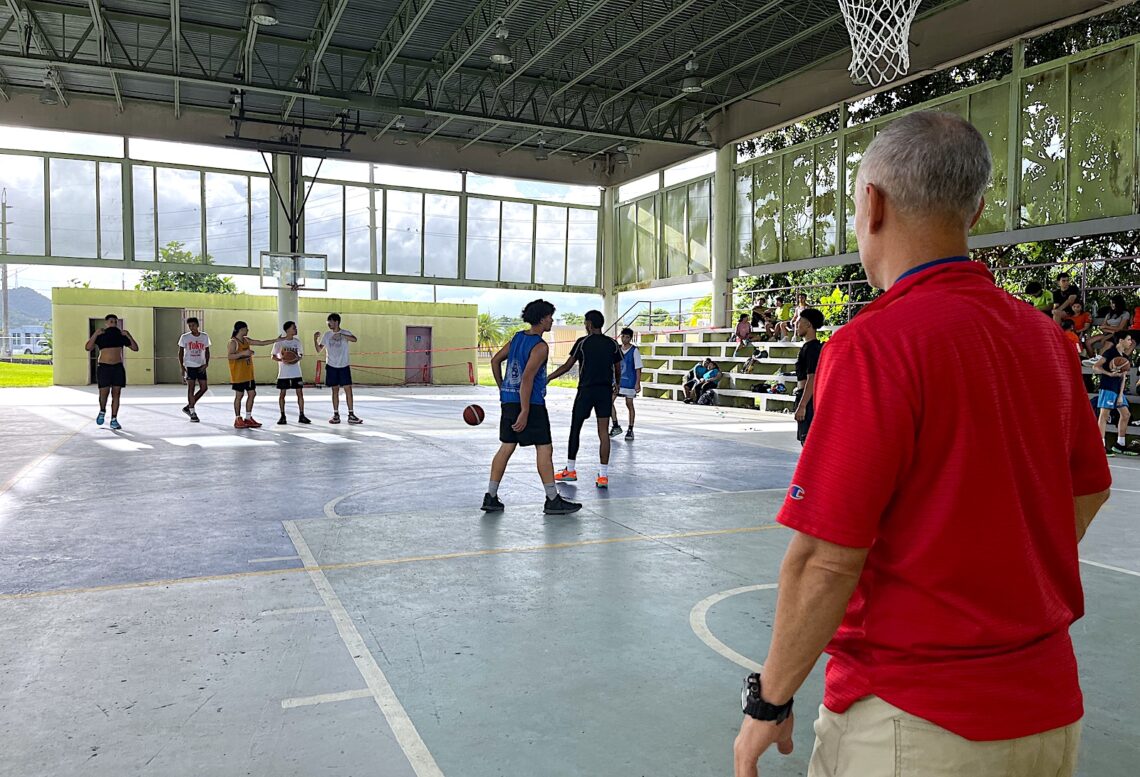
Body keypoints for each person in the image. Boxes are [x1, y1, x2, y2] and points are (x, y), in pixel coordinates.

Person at [732, 111, 1111, 777]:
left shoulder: (874, 345)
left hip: (915, 723)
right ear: (979, 209)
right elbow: (1089, 486)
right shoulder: (1048, 341)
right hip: (1049, 714)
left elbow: (824, 559)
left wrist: (770, 697)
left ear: (871, 205)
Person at [481, 299, 581, 515]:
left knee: (507, 446)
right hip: (532, 404)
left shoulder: (517, 338)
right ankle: (552, 500)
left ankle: (490, 496)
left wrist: (503, 388)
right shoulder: (540, 346)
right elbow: (527, 379)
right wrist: (525, 410)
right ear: (542, 318)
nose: (552, 320)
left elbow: (495, 361)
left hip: (509, 400)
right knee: (544, 448)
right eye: (550, 317)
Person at [549, 310, 622, 489]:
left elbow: (567, 366)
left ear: (589, 324)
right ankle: (603, 476)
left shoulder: (583, 343)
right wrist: (617, 384)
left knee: (576, 428)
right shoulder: (612, 344)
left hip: (586, 391)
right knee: (603, 433)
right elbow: (618, 367)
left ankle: (571, 470)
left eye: (585, 322)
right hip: (604, 392)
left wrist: (548, 377)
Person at [84, 313, 139, 430]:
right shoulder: (101, 336)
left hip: (117, 367)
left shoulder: (121, 336)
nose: (113, 323)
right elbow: (88, 347)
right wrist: (95, 334)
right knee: (103, 393)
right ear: (106, 323)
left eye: (115, 322)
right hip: (104, 367)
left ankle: (114, 419)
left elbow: (135, 348)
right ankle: (102, 410)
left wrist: (129, 336)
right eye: (111, 322)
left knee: (116, 394)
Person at [227, 321, 281, 429]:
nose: (248, 330)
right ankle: (238, 418)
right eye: (246, 329)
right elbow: (230, 356)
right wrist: (244, 353)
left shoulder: (246, 340)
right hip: (238, 374)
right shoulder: (233, 342)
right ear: (241, 329)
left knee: (252, 394)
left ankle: (248, 417)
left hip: (248, 374)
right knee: (239, 396)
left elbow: (261, 342)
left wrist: (275, 340)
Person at [1092, 330, 1135, 456]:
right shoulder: (1110, 353)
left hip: (1117, 390)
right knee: (1104, 416)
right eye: (1128, 339)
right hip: (1107, 387)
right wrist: (1109, 373)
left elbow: (1123, 378)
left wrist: (1121, 395)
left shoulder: (1125, 358)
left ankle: (1119, 444)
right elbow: (1096, 366)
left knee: (1126, 414)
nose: (1130, 342)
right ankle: (1101, 445)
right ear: (1121, 340)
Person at [314, 313, 362, 425]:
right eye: (328, 322)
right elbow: (318, 350)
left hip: (344, 366)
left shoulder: (345, 332)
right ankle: (336, 414)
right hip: (331, 366)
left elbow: (354, 339)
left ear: (336, 322)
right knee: (334, 390)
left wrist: (342, 335)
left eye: (330, 322)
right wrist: (315, 339)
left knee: (348, 390)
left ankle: (351, 414)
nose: (329, 324)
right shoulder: (327, 335)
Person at [792, 308, 824, 446]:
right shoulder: (807, 347)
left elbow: (813, 377)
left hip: (809, 400)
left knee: (808, 441)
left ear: (808, 325)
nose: (796, 326)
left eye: (799, 323)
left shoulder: (812, 349)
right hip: (804, 395)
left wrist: (803, 405)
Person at [272, 321, 311, 425]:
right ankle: (282, 416)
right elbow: (273, 356)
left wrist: (297, 358)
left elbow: (301, 355)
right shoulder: (280, 342)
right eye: (294, 328)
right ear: (288, 330)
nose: (296, 329)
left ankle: (302, 415)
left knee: (300, 394)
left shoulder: (297, 342)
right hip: (284, 373)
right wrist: (283, 360)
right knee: (282, 394)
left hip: (296, 372)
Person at [609, 327, 642, 441]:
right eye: (623, 336)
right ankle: (615, 425)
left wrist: (637, 383)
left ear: (630, 338)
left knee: (629, 404)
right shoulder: (617, 349)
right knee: (609, 402)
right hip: (617, 381)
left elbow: (638, 368)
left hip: (629, 381)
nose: (624, 339)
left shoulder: (634, 351)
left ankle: (630, 429)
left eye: (627, 337)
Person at [177, 316, 210, 423]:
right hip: (190, 365)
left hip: (201, 365)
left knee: (204, 388)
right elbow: (180, 352)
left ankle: (188, 406)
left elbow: (207, 351)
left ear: (197, 325)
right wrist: (182, 366)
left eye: (193, 325)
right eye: (189, 326)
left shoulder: (204, 337)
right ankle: (192, 412)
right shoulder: (185, 337)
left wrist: (206, 364)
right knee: (191, 388)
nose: (191, 328)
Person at [1084, 294, 1131, 360]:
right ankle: (1093, 358)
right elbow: (1102, 327)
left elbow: (1120, 328)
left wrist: (1107, 327)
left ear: (1119, 303)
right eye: (1111, 303)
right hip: (1108, 333)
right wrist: (1111, 331)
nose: (1111, 305)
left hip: (1119, 334)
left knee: (1106, 342)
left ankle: (1099, 359)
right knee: (1088, 342)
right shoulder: (1109, 314)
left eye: (1113, 303)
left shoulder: (1125, 314)